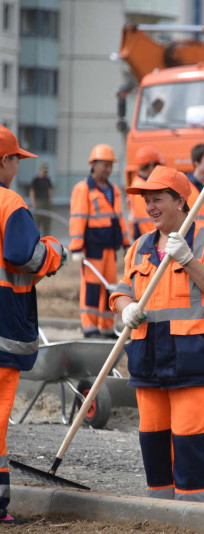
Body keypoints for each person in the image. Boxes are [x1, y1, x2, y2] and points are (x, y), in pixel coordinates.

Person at [109, 166, 204, 503]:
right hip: (148, 361)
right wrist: (126, 306)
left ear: (181, 201)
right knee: (153, 445)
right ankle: (161, 516)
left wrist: (189, 260)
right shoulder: (139, 247)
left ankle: (194, 518)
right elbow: (121, 291)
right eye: (146, 201)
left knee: (190, 445)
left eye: (157, 199)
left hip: (194, 361)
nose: (150, 207)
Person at [0, 127, 67, 525]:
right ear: (4, 161)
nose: (17, 168)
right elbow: (23, 254)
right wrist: (54, 251)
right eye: (15, 160)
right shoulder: (10, 203)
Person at [69, 144, 130, 338]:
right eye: (105, 164)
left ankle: (105, 327)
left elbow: (119, 217)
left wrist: (126, 243)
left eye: (110, 165)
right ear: (93, 164)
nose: (108, 169)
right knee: (92, 289)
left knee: (110, 289)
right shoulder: (83, 189)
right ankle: (90, 327)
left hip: (110, 248)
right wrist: (76, 247)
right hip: (92, 248)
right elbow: (78, 218)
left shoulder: (113, 189)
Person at [128, 145, 165, 240]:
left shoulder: (137, 184)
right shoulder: (142, 188)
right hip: (150, 239)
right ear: (151, 165)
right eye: (157, 165)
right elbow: (148, 222)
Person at [28, 163, 53, 236]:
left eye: (46, 172)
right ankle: (35, 237)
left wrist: (50, 201)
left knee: (47, 222)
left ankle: (46, 237)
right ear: (40, 170)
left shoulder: (47, 180)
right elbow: (32, 192)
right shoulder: (36, 180)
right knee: (37, 222)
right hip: (38, 202)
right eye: (44, 171)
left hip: (46, 202)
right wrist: (34, 203)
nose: (45, 173)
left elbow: (50, 190)